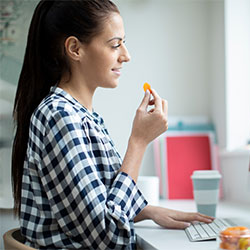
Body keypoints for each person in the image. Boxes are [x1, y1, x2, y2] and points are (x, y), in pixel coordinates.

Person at [11, 1, 213, 249]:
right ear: (75, 48)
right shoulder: (60, 117)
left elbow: (97, 202)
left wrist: (147, 211)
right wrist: (138, 142)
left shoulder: (84, 117)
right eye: (115, 44)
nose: (126, 55)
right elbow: (109, 238)